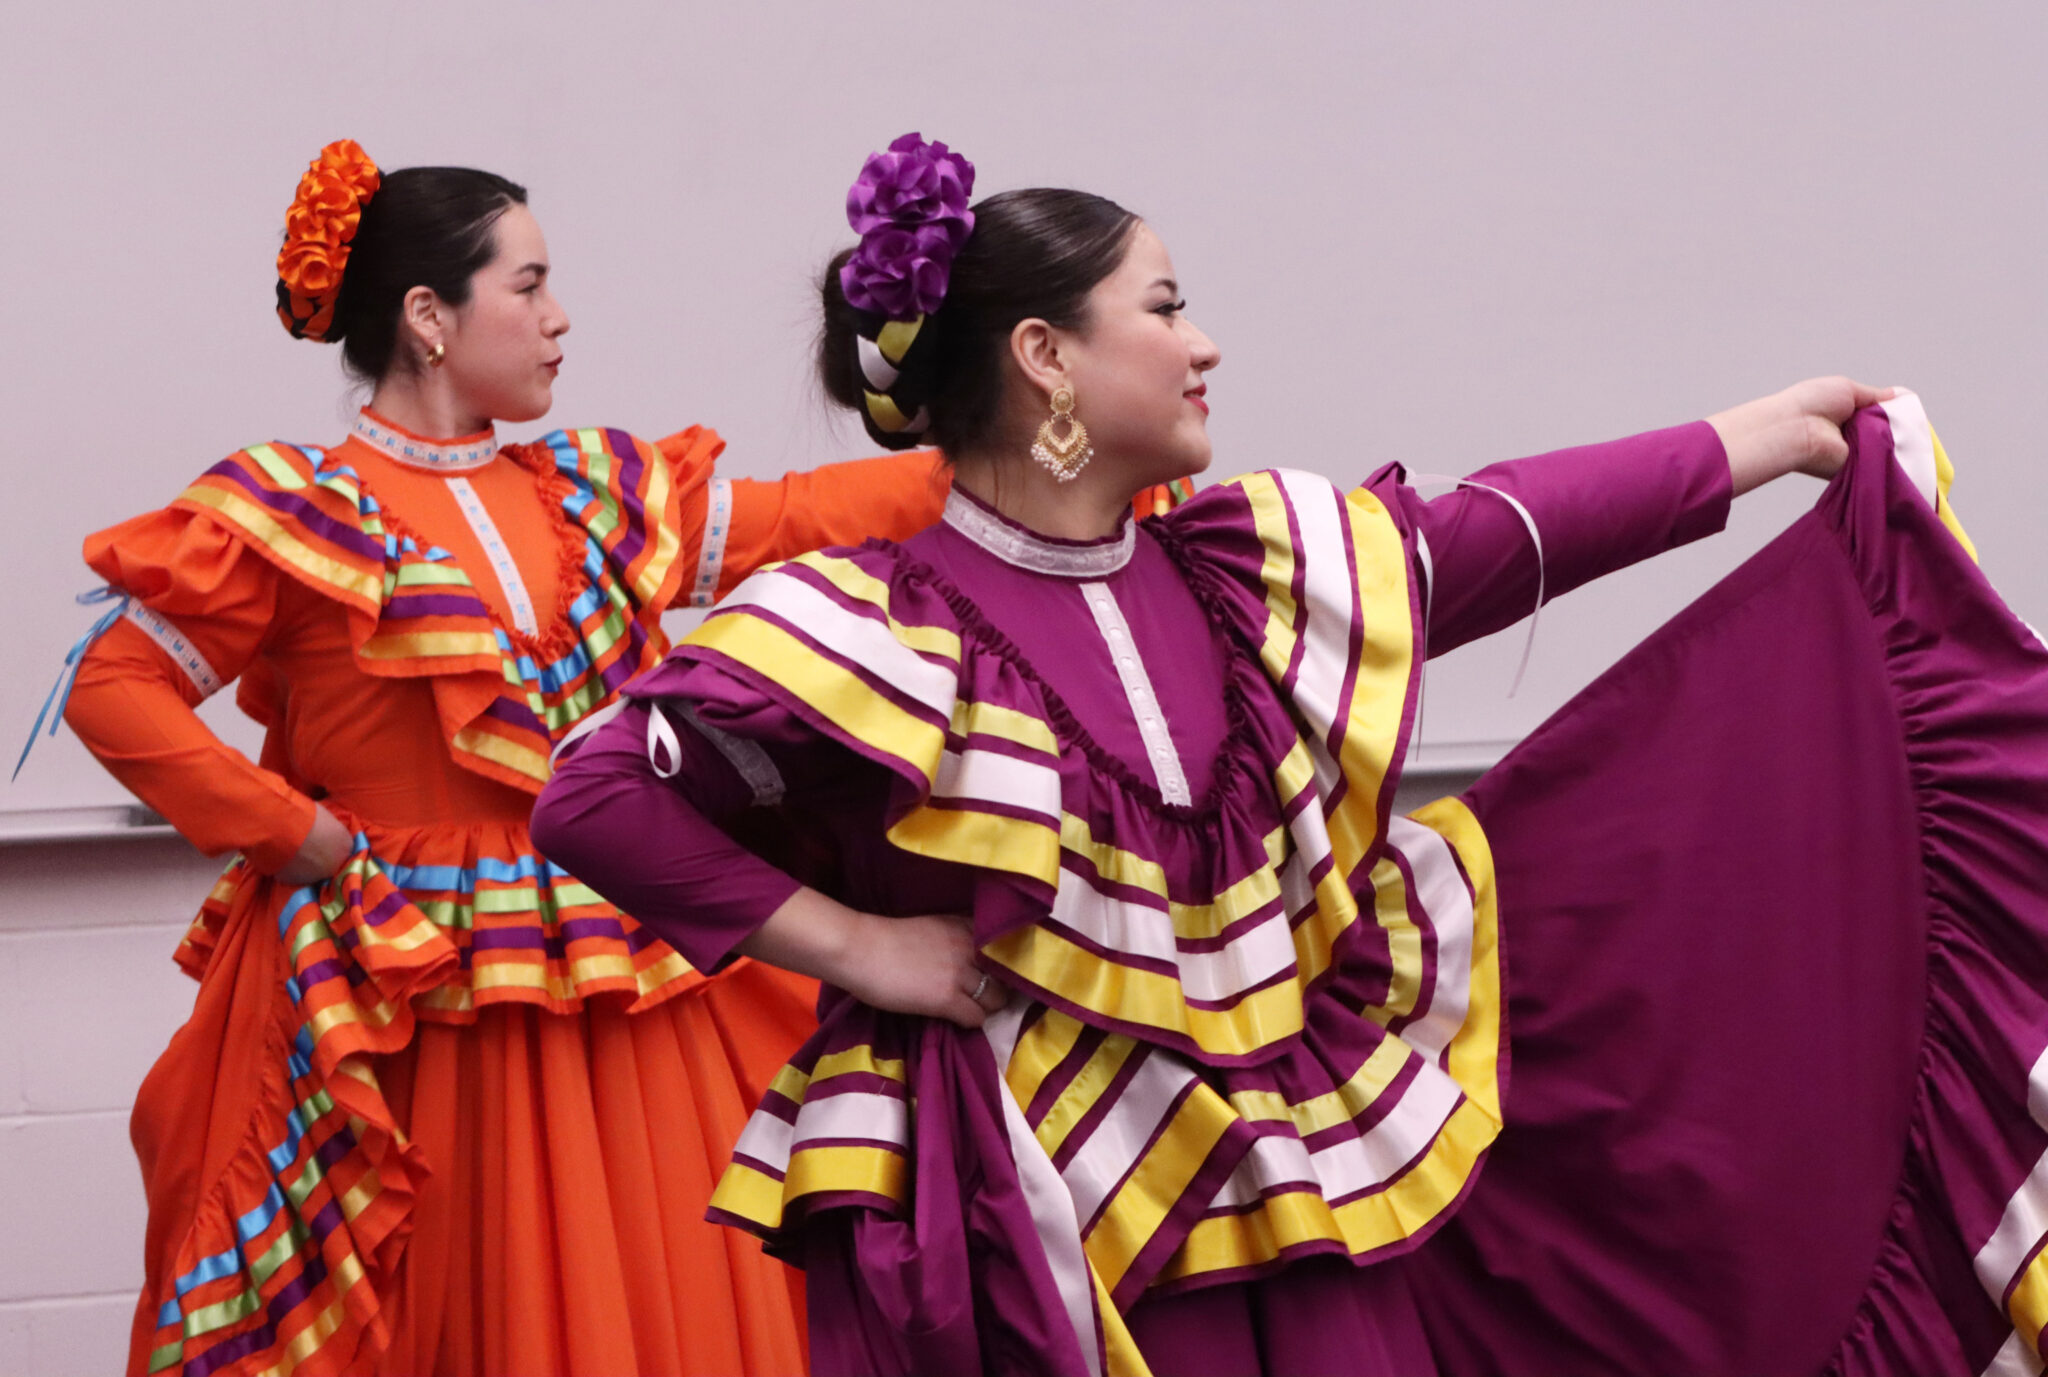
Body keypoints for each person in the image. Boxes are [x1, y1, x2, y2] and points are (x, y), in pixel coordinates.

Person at [529, 133, 1912, 1375]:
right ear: (1045, 357)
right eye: (1169, 306)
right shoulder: (872, 622)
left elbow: (1496, 529)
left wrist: (1764, 438)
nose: (1205, 347)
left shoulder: (1244, 574)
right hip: (1042, 1210)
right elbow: (596, 796)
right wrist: (855, 945)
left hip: (1278, 1189)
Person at [56, 138, 986, 1377]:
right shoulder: (297, 508)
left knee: (684, 1297)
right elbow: (118, 688)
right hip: (415, 977)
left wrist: (1008, 470)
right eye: (530, 285)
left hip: (624, 942)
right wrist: (295, 832)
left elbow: (812, 513)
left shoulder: (596, 491)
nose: (559, 320)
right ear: (429, 317)